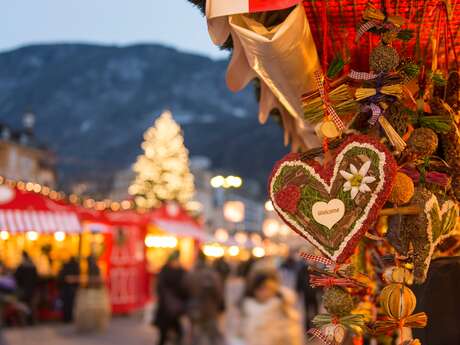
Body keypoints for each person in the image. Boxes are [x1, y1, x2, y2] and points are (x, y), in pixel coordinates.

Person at [241, 271, 303, 345]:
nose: (265, 293)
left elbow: (293, 337)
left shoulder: (283, 309)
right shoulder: (247, 308)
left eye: (269, 288)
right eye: (261, 289)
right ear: (253, 289)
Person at [185, 252, 226, 345]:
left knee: (196, 335)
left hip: (194, 308)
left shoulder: (191, 273)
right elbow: (218, 292)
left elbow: (184, 289)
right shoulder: (211, 274)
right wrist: (219, 306)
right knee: (212, 335)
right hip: (210, 308)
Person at [153, 251, 187, 345]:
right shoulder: (179, 272)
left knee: (171, 331)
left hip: (171, 306)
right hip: (169, 306)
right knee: (166, 332)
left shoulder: (177, 272)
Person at [14, 252, 39, 325]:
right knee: (33, 307)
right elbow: (37, 279)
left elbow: (16, 277)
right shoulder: (33, 266)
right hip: (32, 290)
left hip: (23, 291)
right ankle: (34, 322)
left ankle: (23, 322)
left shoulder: (21, 267)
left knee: (22, 306)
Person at [295, 260, 318, 330]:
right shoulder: (302, 270)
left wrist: (320, 291)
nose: (311, 262)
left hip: (314, 294)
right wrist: (298, 291)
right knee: (306, 312)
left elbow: (320, 280)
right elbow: (299, 281)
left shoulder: (316, 270)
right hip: (306, 294)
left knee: (315, 312)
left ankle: (315, 326)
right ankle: (307, 328)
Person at [57, 256, 80, 323]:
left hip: (65, 288)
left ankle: (66, 318)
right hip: (71, 288)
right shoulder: (75, 266)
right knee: (70, 304)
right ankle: (69, 318)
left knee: (66, 304)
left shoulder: (65, 266)